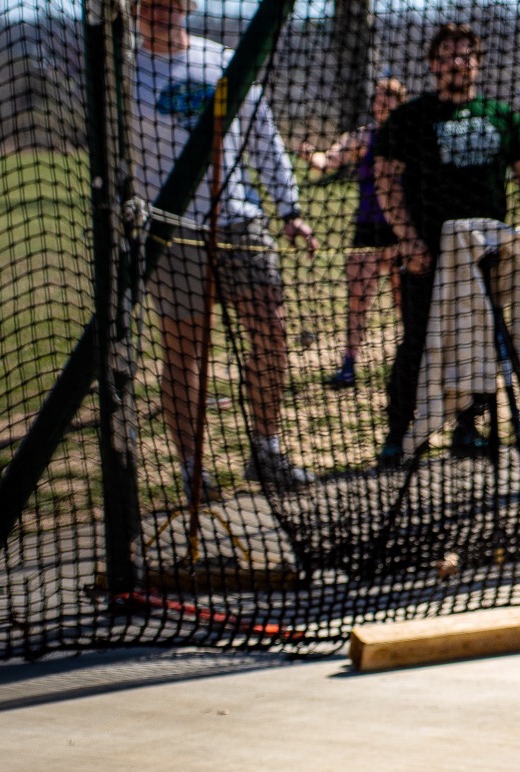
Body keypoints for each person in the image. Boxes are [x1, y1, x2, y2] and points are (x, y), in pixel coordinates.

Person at [134, 0, 317, 501]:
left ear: (188, 7)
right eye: (152, 5)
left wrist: (288, 208)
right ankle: (193, 468)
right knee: (185, 350)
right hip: (171, 229)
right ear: (134, 11)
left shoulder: (222, 63)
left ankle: (266, 448)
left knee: (272, 329)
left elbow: (264, 138)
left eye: (173, 4)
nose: (164, 12)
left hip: (237, 218)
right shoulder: (127, 76)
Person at [372, 23, 520, 468]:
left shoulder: (498, 114)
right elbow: (386, 180)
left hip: (486, 253)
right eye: (448, 55)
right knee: (418, 342)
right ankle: (400, 433)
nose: (457, 62)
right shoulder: (409, 117)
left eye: (466, 55)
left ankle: (469, 428)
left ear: (478, 64)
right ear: (433, 64)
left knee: (480, 341)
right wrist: (408, 240)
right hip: (427, 253)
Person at [299, 77, 408, 391]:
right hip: (367, 230)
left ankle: (415, 359)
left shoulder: (410, 137)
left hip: (401, 230)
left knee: (406, 302)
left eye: (389, 98)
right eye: (378, 97)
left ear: (400, 102)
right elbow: (328, 162)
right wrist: (310, 156)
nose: (382, 103)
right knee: (358, 299)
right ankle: (349, 364)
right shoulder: (362, 137)